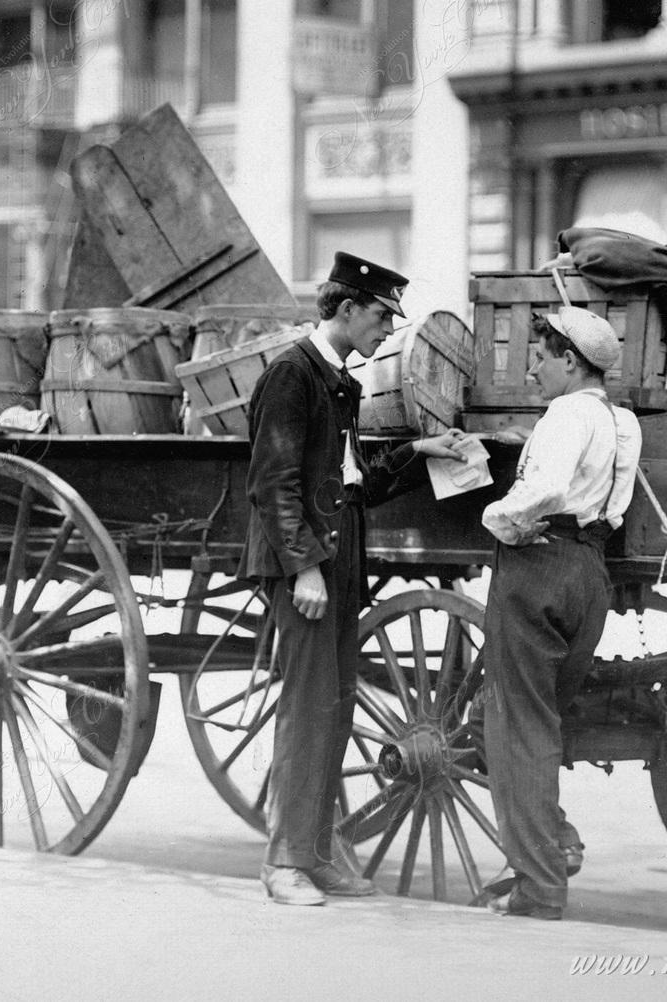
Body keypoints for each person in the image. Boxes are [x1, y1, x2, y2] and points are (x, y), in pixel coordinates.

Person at [246, 251, 468, 906]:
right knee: (306, 709)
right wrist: (305, 567)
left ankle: (316, 852)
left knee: (336, 708)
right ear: (346, 309)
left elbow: (352, 483)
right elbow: (272, 484)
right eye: (380, 316)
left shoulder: (339, 381)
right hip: (307, 563)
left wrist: (415, 454)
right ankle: (285, 861)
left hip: (339, 555)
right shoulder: (291, 375)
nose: (388, 330)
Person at [480, 306, 642, 920]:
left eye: (541, 357)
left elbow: (545, 491)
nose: (534, 368)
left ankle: (540, 888)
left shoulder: (565, 413)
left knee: (519, 729)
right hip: (588, 575)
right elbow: (614, 502)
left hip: (537, 570)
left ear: (570, 361)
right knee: (544, 723)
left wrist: (497, 518)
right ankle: (552, 847)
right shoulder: (620, 421)